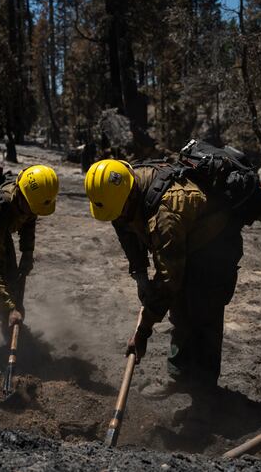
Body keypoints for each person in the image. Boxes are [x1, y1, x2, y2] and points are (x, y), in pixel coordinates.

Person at [84, 159, 245, 428]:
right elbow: (123, 227)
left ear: (130, 195)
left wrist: (143, 329)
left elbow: (169, 280)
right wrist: (139, 275)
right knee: (179, 310)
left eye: (120, 211)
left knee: (203, 318)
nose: (118, 217)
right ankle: (178, 374)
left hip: (213, 248)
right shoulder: (122, 189)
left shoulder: (166, 213)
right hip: (184, 239)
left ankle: (204, 403)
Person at [0, 165, 59, 352]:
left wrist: (27, 253)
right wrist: (9, 309)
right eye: (30, 208)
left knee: (12, 279)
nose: (32, 213)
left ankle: (11, 331)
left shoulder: (30, 200)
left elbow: (29, 222)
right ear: (20, 194)